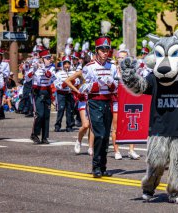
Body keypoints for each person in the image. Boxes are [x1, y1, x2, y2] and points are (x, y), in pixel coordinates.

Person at [73, 35, 117, 178]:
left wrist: (111, 84)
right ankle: (96, 166)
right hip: (94, 102)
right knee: (99, 134)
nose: (105, 52)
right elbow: (83, 87)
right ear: (97, 50)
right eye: (102, 50)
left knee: (106, 137)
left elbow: (116, 88)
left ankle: (103, 167)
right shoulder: (89, 67)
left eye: (107, 50)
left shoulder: (113, 66)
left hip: (108, 102)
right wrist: (98, 84)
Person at [116, 44, 140, 160]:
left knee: (131, 124)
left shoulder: (132, 71)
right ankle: (117, 150)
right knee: (116, 126)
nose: (122, 60)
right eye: (120, 57)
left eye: (124, 57)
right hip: (115, 100)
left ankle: (131, 150)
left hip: (128, 100)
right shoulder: (113, 69)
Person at [27, 48, 56, 144]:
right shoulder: (35, 66)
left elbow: (49, 76)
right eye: (47, 58)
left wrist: (43, 68)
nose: (49, 60)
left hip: (47, 92)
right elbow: (27, 78)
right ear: (42, 59)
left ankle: (44, 137)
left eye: (49, 58)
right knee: (39, 114)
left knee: (46, 116)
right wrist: (33, 70)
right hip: (37, 92)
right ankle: (34, 134)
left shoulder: (51, 67)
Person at [54, 54, 77, 132]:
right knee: (61, 109)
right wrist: (63, 85)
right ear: (63, 64)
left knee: (70, 110)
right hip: (61, 93)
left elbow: (78, 81)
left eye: (68, 63)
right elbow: (56, 84)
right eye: (65, 64)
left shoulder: (73, 72)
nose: (67, 65)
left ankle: (69, 126)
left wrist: (73, 81)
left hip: (70, 93)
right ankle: (57, 125)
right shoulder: (59, 73)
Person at [0, 42, 10, 120]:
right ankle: (1, 111)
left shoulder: (5, 64)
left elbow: (7, 75)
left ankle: (1, 111)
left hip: (0, 84)